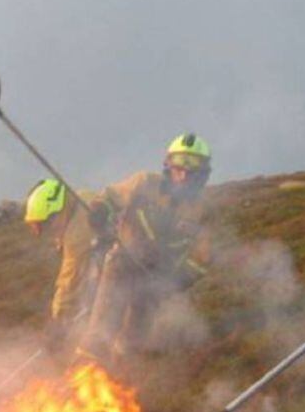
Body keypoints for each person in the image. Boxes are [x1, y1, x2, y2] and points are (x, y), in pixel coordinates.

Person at [75, 133, 213, 365]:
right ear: (168, 164)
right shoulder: (143, 183)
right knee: (103, 326)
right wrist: (100, 210)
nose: (184, 171)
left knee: (133, 341)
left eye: (192, 165)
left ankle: (119, 378)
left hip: (157, 280)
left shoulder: (202, 211)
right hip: (124, 262)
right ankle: (87, 367)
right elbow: (111, 196)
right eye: (180, 163)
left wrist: (178, 279)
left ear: (203, 173)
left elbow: (202, 257)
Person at [24, 178, 115, 351]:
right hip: (126, 248)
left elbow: (69, 281)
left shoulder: (77, 233)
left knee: (95, 288)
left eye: (45, 224)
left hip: (126, 260)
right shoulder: (80, 198)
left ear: (56, 213)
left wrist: (57, 321)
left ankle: (104, 342)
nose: (46, 232)